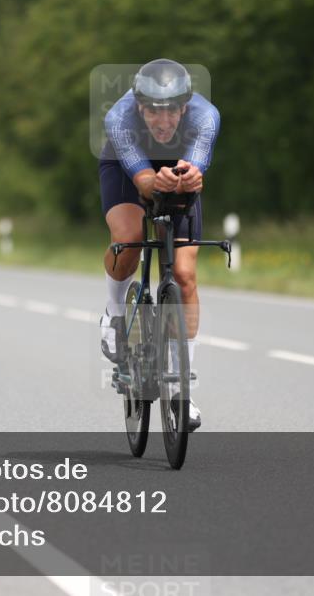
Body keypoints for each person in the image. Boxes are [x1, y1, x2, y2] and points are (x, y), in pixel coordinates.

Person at [99, 58, 220, 432]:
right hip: (127, 168)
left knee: (184, 276)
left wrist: (189, 177)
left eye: (171, 112)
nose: (163, 121)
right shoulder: (119, 119)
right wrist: (154, 181)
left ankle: (183, 389)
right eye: (153, 111)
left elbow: (195, 167)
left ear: (185, 107)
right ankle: (114, 313)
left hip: (175, 170)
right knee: (129, 239)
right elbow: (144, 181)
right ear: (139, 107)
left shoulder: (206, 117)